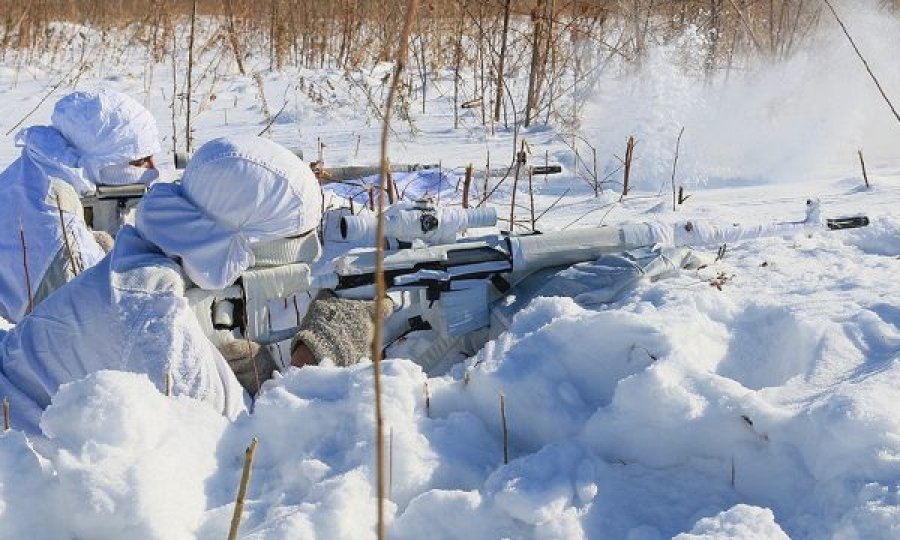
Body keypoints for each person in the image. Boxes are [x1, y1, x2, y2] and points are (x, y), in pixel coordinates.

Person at [0, 135, 380, 436]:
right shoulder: (154, 325)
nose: (309, 254)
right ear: (238, 245)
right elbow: (252, 459)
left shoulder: (144, 260)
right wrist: (320, 356)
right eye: (297, 241)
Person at [0, 88, 161, 323]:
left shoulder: (33, 172)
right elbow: (101, 322)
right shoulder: (57, 220)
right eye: (139, 161)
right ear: (99, 159)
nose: (153, 170)